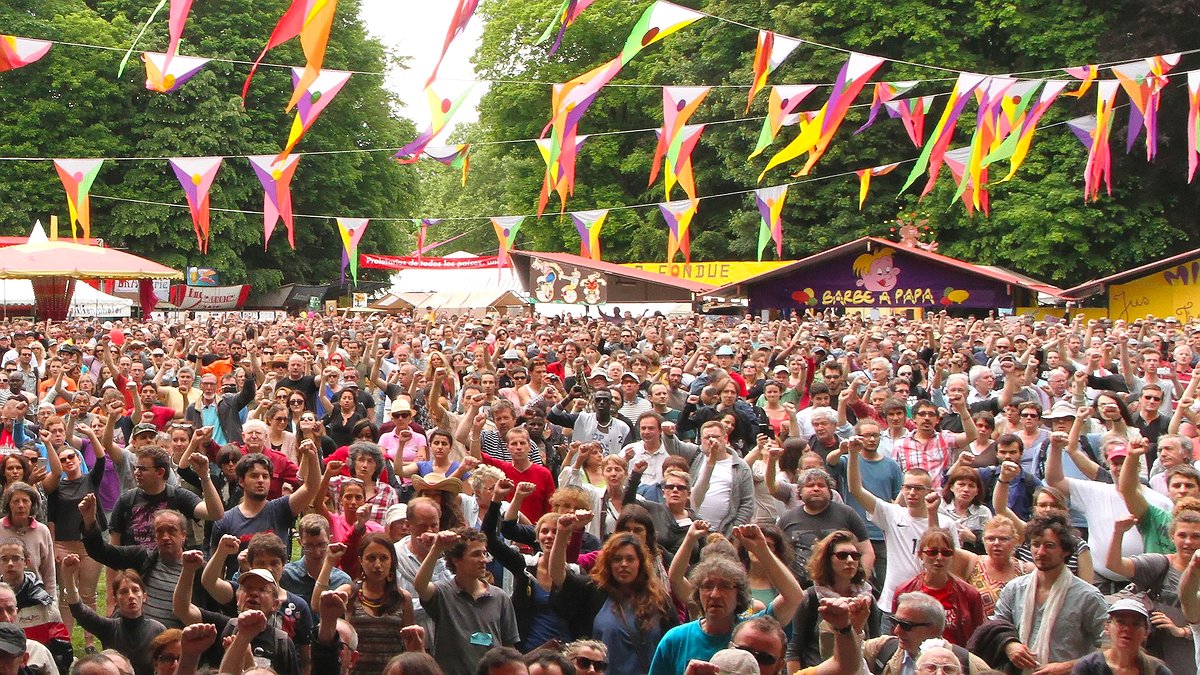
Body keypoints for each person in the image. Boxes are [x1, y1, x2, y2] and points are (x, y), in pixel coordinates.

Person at [650, 523, 803, 673]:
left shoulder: (753, 633)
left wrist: (762, 549)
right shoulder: (676, 639)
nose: (715, 594)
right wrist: (690, 539)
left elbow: (794, 596)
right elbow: (675, 578)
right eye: (707, 586)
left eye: (725, 586)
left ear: (739, 594)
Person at [549, 512, 678, 675]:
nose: (623, 564)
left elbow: (673, 647)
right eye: (617, 559)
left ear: (640, 563)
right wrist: (562, 533)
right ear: (608, 563)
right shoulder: (593, 591)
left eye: (630, 559)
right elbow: (558, 575)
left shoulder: (660, 600)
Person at [845, 437, 958, 618]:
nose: (912, 493)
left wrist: (932, 513)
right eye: (908, 488)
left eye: (918, 488)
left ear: (930, 492)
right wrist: (852, 455)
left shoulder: (945, 523)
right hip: (893, 602)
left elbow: (947, 556)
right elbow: (856, 489)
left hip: (931, 602)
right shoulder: (892, 514)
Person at [993, 512, 1108, 672]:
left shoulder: (1088, 597)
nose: (1041, 552)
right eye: (1036, 544)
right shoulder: (1014, 589)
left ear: (1066, 551)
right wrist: (1009, 645)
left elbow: (1110, 648)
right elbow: (995, 626)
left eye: (1049, 545)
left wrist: (1066, 667)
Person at [1104, 508, 1200, 675]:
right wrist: (1118, 532)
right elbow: (1115, 564)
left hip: (1191, 660)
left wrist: (1182, 631)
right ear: (1172, 537)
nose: (1188, 542)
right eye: (1182, 535)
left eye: (1196, 536)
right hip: (1157, 657)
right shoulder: (1160, 565)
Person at [414, 528, 519, 675]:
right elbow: (420, 585)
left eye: (484, 553)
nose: (484, 560)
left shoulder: (500, 597)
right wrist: (437, 548)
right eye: (476, 554)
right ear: (456, 560)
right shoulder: (443, 593)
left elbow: (509, 647)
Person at [208, 441, 319, 574]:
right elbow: (216, 573)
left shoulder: (281, 509)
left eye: (265, 476)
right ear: (241, 481)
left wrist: (312, 456)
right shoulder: (225, 521)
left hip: (276, 590)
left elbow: (311, 488)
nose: (261, 480)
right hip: (241, 590)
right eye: (254, 476)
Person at [787, 529, 878, 671]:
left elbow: (875, 645)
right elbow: (794, 651)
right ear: (827, 559)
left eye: (855, 556)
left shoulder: (867, 598)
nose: (850, 561)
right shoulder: (811, 598)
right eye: (842, 555)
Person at [62, 556, 165, 675]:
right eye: (124, 592)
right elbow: (80, 611)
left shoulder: (158, 630)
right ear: (115, 600)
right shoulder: (109, 628)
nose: (131, 596)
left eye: (135, 590)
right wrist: (68, 577)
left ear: (144, 597)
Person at [776, 467, 873, 585]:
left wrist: (860, 583)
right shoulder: (786, 519)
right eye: (810, 485)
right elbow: (777, 556)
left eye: (821, 485)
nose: (816, 489)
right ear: (799, 492)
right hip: (798, 590)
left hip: (840, 589)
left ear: (830, 492)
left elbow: (867, 551)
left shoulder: (847, 514)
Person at [861, 591, 990, 675]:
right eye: (895, 622)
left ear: (934, 629)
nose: (896, 631)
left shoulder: (971, 665)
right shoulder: (882, 649)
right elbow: (848, 657)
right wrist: (853, 627)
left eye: (906, 626)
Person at [893, 528, 985, 647]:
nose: (939, 558)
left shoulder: (970, 594)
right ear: (920, 554)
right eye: (933, 552)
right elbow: (896, 634)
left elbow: (977, 639)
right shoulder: (905, 591)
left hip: (956, 660)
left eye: (946, 553)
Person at [1070, 598, 1170, 675]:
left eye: (1135, 624)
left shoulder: (1157, 670)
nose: (1127, 629)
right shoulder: (1087, 667)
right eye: (1120, 622)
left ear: (1146, 633)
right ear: (1107, 627)